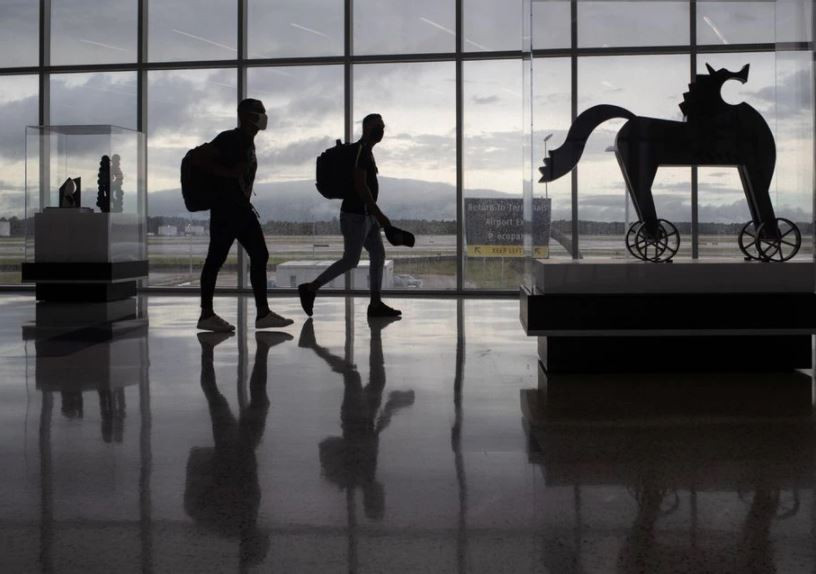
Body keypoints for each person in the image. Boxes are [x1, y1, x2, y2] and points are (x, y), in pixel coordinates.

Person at [191, 98, 293, 332]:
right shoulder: (230, 138)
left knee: (257, 255)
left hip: (239, 209)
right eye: (259, 111)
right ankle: (208, 314)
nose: (264, 116)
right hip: (227, 210)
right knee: (218, 260)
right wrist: (227, 172)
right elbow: (198, 158)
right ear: (246, 115)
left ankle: (262, 313)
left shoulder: (247, 142)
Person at [298, 114, 401, 318]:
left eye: (382, 125)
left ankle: (375, 304)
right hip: (356, 215)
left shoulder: (367, 151)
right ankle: (310, 288)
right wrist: (378, 213)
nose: (380, 129)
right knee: (350, 260)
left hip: (365, 215)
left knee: (378, 255)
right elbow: (361, 186)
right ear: (366, 128)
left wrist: (373, 214)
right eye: (376, 126)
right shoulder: (361, 151)